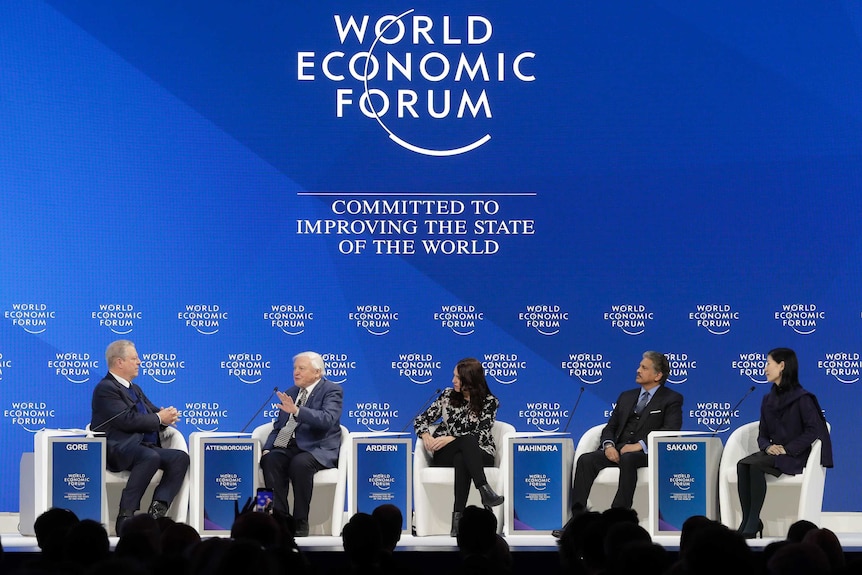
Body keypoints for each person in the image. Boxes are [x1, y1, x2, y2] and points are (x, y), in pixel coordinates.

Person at [555, 351, 683, 537]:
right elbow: (610, 427)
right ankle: (577, 519)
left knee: (629, 458)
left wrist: (640, 445)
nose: (638, 370)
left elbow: (671, 430)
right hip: (617, 449)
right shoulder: (626, 396)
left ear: (658, 375)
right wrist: (608, 446)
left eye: (644, 368)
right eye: (639, 366)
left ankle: (615, 519)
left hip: (647, 453)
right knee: (586, 460)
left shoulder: (671, 398)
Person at [90, 340, 189, 536]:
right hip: (117, 448)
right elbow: (126, 420)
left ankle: (156, 515)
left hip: (143, 446)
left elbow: (151, 413)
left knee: (180, 458)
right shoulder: (106, 389)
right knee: (149, 457)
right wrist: (159, 418)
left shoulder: (134, 389)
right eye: (134, 358)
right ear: (119, 362)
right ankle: (125, 516)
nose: (140, 362)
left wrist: (165, 416)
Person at [735, 347, 833, 538]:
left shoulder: (803, 398)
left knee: (754, 466)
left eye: (768, 364)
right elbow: (762, 434)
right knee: (742, 464)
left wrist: (787, 449)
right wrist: (768, 446)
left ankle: (753, 521)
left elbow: (814, 430)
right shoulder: (767, 399)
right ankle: (748, 519)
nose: (765, 368)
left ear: (781, 366)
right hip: (773, 453)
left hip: (795, 455)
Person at [414, 357, 504, 537]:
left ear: (470, 380)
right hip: (445, 454)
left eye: (458, 377)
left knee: (464, 452)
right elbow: (421, 419)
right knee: (462, 449)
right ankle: (484, 490)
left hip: (481, 452)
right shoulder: (447, 396)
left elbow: (481, 432)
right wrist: (425, 435)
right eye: (454, 376)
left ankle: (457, 523)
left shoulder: (489, 402)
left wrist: (451, 438)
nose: (453, 380)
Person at [260, 351, 343, 537]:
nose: (296, 372)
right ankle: (279, 518)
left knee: (300, 464)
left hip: (317, 448)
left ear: (317, 372)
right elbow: (278, 426)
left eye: (302, 368)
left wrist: (297, 410)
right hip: (288, 446)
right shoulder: (290, 392)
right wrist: (267, 448)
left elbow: (327, 419)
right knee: (270, 460)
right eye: (295, 368)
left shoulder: (332, 390)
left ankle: (300, 521)